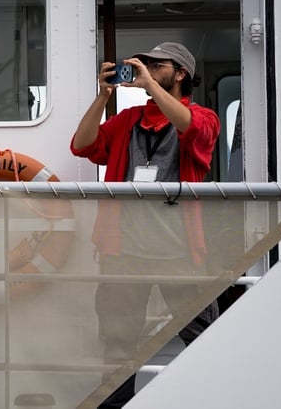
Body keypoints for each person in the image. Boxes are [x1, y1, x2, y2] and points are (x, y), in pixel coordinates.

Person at [70, 42, 220, 408]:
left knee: (201, 335)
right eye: (145, 64)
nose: (148, 69)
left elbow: (191, 128)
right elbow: (82, 145)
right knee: (118, 344)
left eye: (157, 65)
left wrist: (149, 86)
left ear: (181, 73)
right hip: (124, 252)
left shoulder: (204, 116)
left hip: (181, 252)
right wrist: (102, 96)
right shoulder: (128, 120)